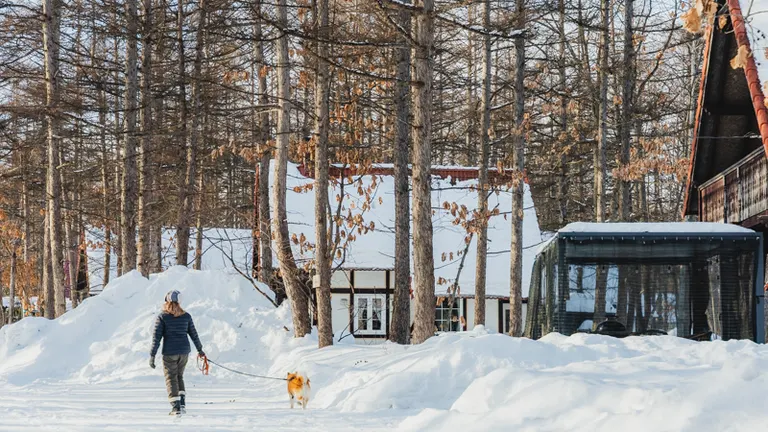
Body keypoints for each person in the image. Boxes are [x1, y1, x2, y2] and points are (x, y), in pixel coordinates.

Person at [149, 290, 205, 416]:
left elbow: (156, 338)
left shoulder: (162, 317)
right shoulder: (186, 316)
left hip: (170, 353)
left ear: (167, 301)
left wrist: (152, 355)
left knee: (171, 378)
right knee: (179, 376)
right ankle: (182, 404)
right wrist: (200, 350)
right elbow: (194, 334)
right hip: (184, 352)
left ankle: (176, 408)